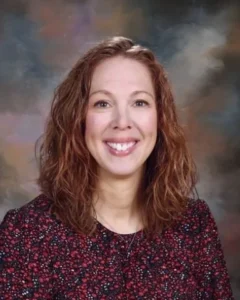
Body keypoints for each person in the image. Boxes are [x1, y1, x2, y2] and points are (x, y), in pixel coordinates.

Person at [0, 36, 234, 299]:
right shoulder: (27, 232)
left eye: (139, 102)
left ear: (160, 118)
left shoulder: (195, 225)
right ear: (79, 118)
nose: (122, 122)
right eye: (103, 103)